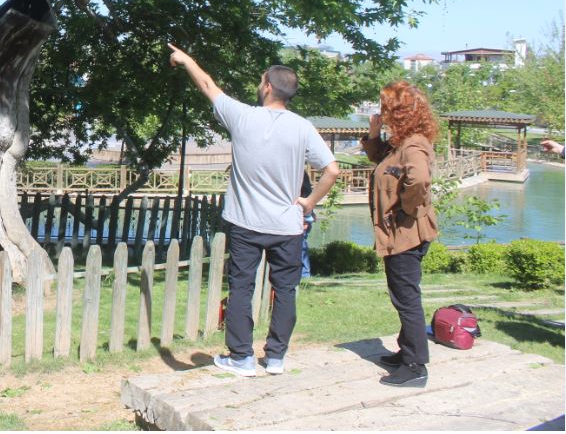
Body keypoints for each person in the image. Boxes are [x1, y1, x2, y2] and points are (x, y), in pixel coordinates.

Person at [168, 44, 339, 377]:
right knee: (286, 290)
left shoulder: (243, 116)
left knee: (242, 288)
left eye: (262, 81)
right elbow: (331, 170)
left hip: (246, 224)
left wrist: (187, 58)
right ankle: (275, 358)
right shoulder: (303, 127)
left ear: (268, 87)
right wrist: (308, 203)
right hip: (287, 226)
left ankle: (242, 358)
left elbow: (207, 85)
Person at [361, 80, 439, 388]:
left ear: (399, 111)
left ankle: (415, 365)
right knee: (404, 293)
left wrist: (405, 208)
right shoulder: (399, 143)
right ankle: (406, 350)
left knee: (406, 297)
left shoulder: (413, 144)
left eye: (385, 108)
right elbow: (379, 158)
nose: (381, 111)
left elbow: (418, 179)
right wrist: (373, 132)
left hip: (407, 234)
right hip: (403, 233)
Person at [299, 173, 316, 279]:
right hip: (306, 218)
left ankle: (305, 274)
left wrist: (305, 218)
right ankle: (304, 274)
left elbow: (306, 196)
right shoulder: (303, 175)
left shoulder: (300, 176)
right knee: (301, 247)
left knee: (301, 247)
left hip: (303, 219)